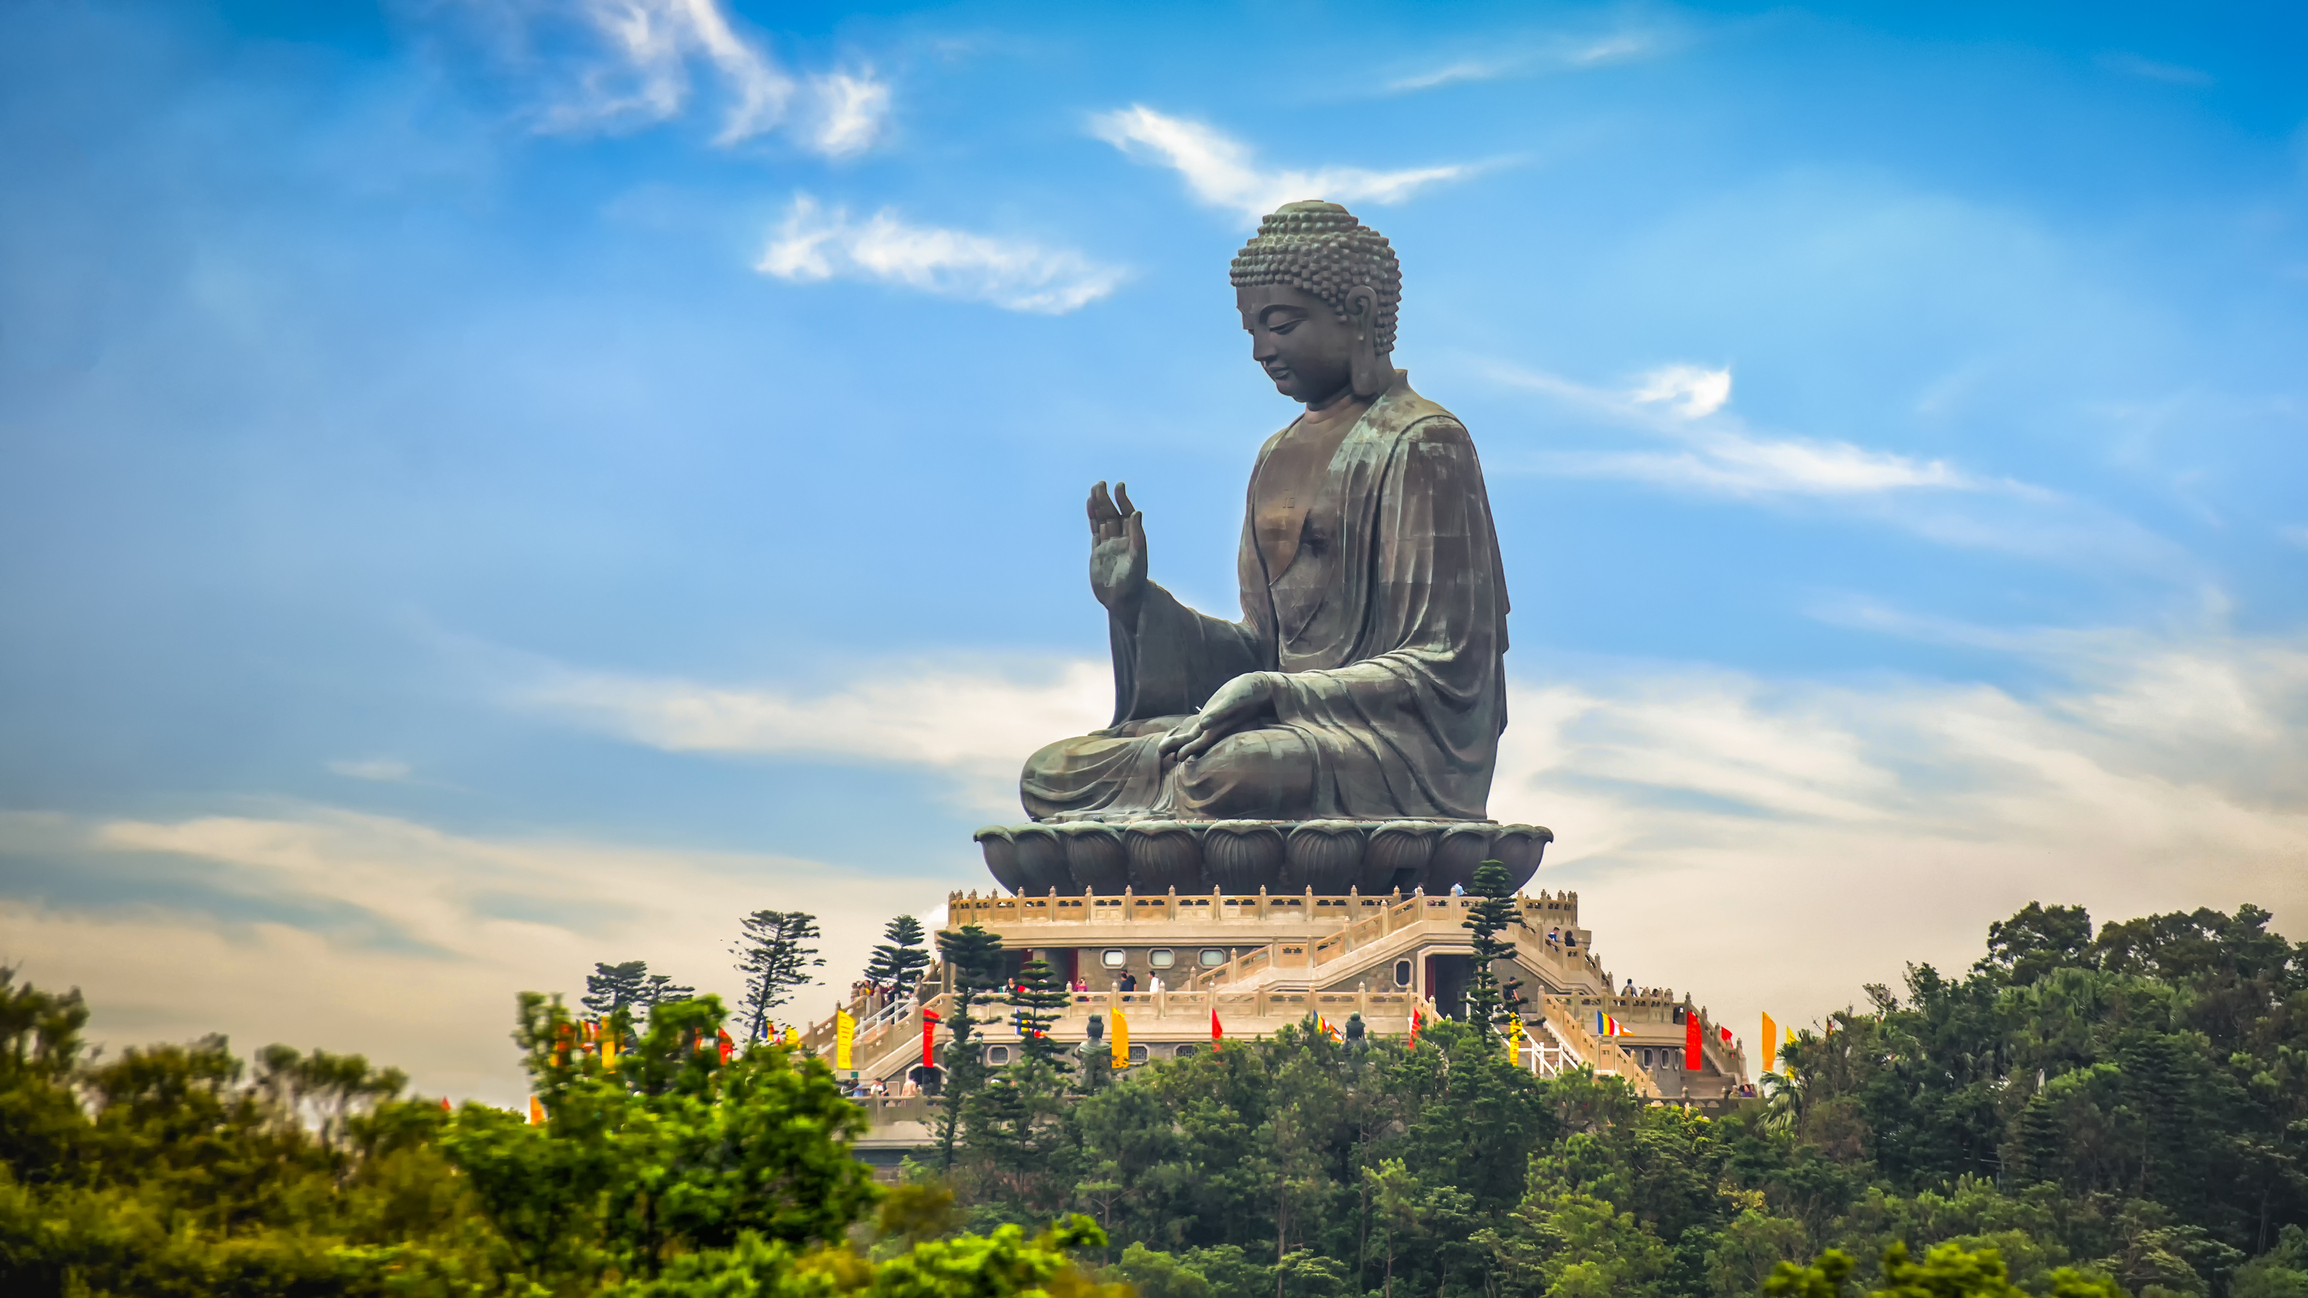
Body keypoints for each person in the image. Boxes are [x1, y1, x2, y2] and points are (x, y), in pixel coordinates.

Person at [1019, 201, 1510, 823]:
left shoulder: (1422, 441)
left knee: (1230, 771)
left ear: (1357, 313)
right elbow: (1262, 652)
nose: (1260, 350)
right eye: (1250, 328)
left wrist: (1279, 692)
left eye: (1280, 325)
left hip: (1385, 750)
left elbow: (1444, 667)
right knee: (1053, 773)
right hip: (1282, 725)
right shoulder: (1274, 454)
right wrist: (1139, 606)